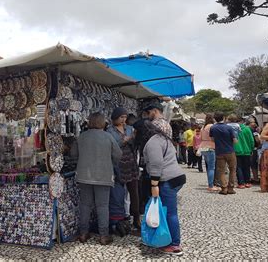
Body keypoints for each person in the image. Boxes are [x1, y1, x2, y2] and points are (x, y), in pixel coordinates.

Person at [136, 120, 186, 256]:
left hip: (166, 180)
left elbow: (156, 163)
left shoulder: (153, 142)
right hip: (176, 177)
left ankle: (174, 244)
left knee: (169, 212)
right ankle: (161, 238)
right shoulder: (164, 139)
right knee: (164, 211)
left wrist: (154, 184)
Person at [71, 112, 122, 245]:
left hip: (83, 176)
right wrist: (109, 162)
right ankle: (104, 236)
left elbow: (73, 154)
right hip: (103, 176)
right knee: (102, 206)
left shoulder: (81, 137)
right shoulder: (108, 136)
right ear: (102, 122)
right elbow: (118, 155)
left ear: (89, 123)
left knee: (85, 205)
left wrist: (82, 161)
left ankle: (83, 233)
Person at [107, 107, 140, 235]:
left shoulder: (130, 129)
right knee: (118, 194)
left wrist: (133, 139)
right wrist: (125, 140)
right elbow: (113, 146)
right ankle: (120, 220)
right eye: (121, 117)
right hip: (118, 165)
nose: (123, 120)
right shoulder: (110, 131)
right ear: (115, 117)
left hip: (131, 163)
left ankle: (136, 218)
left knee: (134, 192)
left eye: (125, 117)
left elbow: (135, 144)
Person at [210, 112, 238, 195]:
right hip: (230, 151)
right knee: (232, 170)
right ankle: (231, 188)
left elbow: (212, 139)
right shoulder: (229, 128)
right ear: (224, 117)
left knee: (221, 170)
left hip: (219, 151)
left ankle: (224, 188)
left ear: (215, 119)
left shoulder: (213, 128)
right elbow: (235, 141)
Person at [200, 114, 219, 192]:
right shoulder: (212, 126)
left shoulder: (203, 127)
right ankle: (211, 185)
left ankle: (210, 183)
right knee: (211, 167)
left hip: (203, 146)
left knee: (208, 167)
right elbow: (213, 138)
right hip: (210, 146)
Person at [234, 117, 255, 189]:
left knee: (239, 167)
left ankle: (241, 183)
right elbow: (252, 141)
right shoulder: (247, 129)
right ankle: (247, 182)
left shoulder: (234, 130)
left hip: (237, 150)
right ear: (243, 121)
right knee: (247, 167)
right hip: (247, 151)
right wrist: (251, 149)